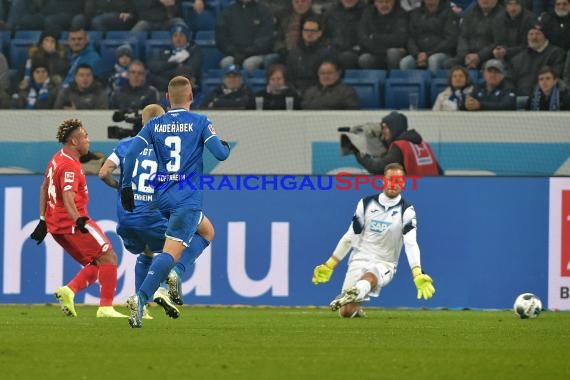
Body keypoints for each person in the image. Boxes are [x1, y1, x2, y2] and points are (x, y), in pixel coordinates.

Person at [120, 76, 230, 328]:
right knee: (171, 252)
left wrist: (126, 187)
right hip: (187, 198)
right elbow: (221, 154)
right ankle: (142, 297)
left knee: (207, 230)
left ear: (167, 98)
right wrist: (223, 145)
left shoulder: (154, 124)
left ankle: (176, 272)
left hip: (163, 197)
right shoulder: (201, 122)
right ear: (192, 97)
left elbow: (132, 153)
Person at [99, 104, 216, 318]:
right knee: (202, 233)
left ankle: (140, 307)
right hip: (156, 214)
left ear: (143, 123)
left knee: (146, 253)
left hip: (126, 219)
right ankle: (166, 283)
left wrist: (121, 188)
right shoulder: (167, 149)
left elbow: (103, 172)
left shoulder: (126, 144)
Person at [29, 118, 127, 318]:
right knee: (109, 256)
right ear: (74, 141)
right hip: (72, 222)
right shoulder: (69, 166)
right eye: (85, 136)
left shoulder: (57, 158)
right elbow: (67, 195)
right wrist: (78, 220)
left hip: (57, 226)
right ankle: (106, 308)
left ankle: (69, 291)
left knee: (96, 262)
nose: (88, 140)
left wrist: (42, 219)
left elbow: (44, 187)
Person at [312, 162, 436, 318]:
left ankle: (358, 290)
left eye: (398, 180)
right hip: (359, 259)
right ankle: (357, 305)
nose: (393, 184)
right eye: (390, 179)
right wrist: (330, 264)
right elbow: (350, 236)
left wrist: (417, 272)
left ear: (403, 183)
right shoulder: (365, 204)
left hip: (385, 263)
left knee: (370, 276)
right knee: (345, 312)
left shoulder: (407, 210)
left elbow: (410, 243)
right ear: (384, 180)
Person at [353, 111, 443, 176]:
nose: (383, 131)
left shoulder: (400, 146)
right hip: (432, 189)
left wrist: (361, 155)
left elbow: (378, 168)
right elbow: (439, 172)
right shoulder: (423, 144)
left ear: (394, 127)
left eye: (385, 127)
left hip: (416, 191)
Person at [400, 0, 459, 75]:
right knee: (405, 63)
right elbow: (409, 37)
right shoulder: (415, 13)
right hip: (418, 54)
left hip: (442, 53)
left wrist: (428, 54)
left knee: (433, 60)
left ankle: (432, 85)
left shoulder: (449, 13)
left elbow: (451, 40)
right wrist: (416, 54)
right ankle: (408, 86)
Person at [147, 23, 203, 93]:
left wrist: (165, 70)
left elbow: (189, 70)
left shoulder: (194, 50)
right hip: (165, 84)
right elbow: (154, 66)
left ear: (187, 37)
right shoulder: (165, 50)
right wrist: (174, 64)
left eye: (181, 35)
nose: (178, 38)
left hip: (182, 84)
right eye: (175, 35)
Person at [357, 0, 409, 70]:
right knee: (364, 59)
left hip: (394, 54)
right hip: (374, 53)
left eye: (387, 1)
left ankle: (394, 79)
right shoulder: (367, 13)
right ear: (375, 3)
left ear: (393, 2)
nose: (384, 5)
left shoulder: (401, 13)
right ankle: (373, 80)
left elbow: (400, 39)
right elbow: (363, 38)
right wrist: (383, 48)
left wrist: (375, 37)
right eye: (380, 2)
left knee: (393, 53)